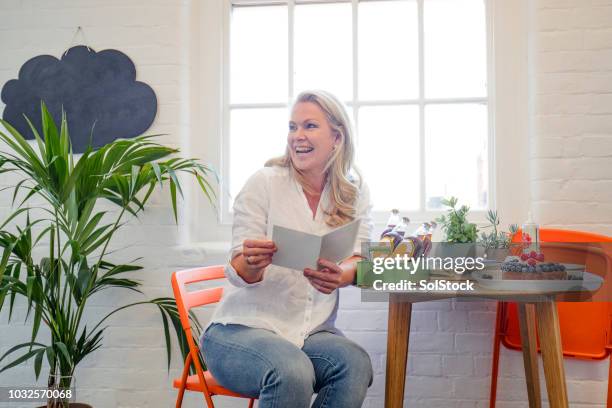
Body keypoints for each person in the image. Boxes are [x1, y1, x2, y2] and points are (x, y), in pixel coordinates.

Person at [200, 90, 374, 408]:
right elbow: (238, 268)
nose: (298, 136)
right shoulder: (264, 183)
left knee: (355, 364)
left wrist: (343, 275)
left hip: (309, 333)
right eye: (293, 127)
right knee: (291, 370)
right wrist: (252, 263)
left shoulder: (353, 193)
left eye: (309, 126)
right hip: (239, 331)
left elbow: (361, 258)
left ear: (337, 137)